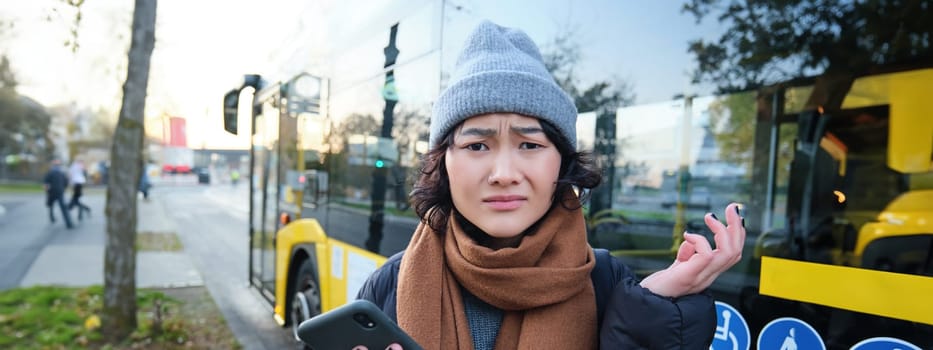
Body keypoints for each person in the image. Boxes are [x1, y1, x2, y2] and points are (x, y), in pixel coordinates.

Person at [356, 20, 745, 349]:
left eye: (530, 144)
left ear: (562, 160)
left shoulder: (609, 283)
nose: (504, 172)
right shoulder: (388, 286)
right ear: (444, 162)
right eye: (477, 145)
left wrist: (656, 307)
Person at [43, 158, 74, 229]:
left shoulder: (58, 173)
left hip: (57, 192)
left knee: (61, 207)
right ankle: (66, 222)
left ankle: (68, 223)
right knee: (53, 206)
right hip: (55, 192)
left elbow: (66, 183)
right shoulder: (53, 173)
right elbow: (45, 184)